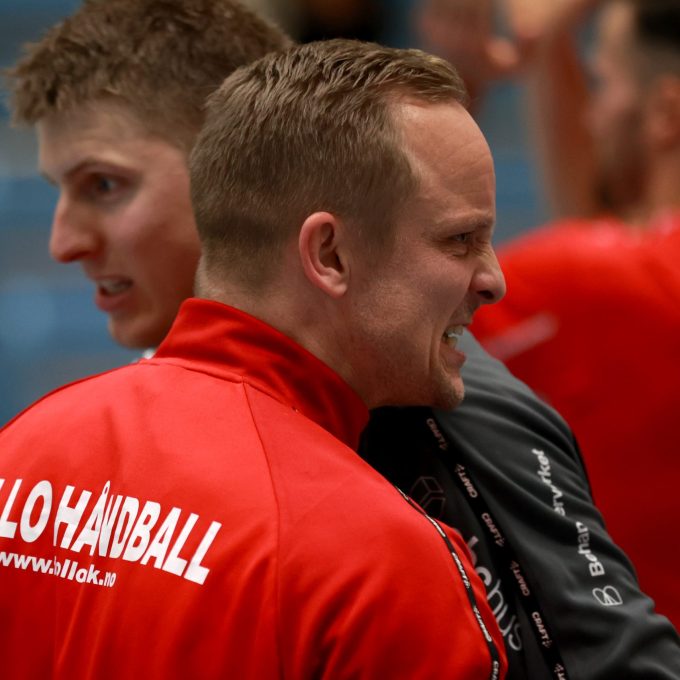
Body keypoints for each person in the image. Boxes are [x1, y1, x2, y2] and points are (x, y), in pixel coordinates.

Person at [6, 1, 680, 677]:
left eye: (105, 185)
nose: (65, 241)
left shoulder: (429, 400)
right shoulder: (365, 523)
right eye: (461, 241)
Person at [0, 37, 509, 679]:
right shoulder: (382, 566)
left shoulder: (21, 452)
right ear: (329, 255)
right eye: (460, 239)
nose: (493, 281)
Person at [419, 0, 680, 626]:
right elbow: (593, 219)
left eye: (603, 82)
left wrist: (436, 114)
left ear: (668, 113)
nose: (592, 113)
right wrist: (550, 49)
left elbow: (380, 308)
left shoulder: (596, 280)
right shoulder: (621, 280)